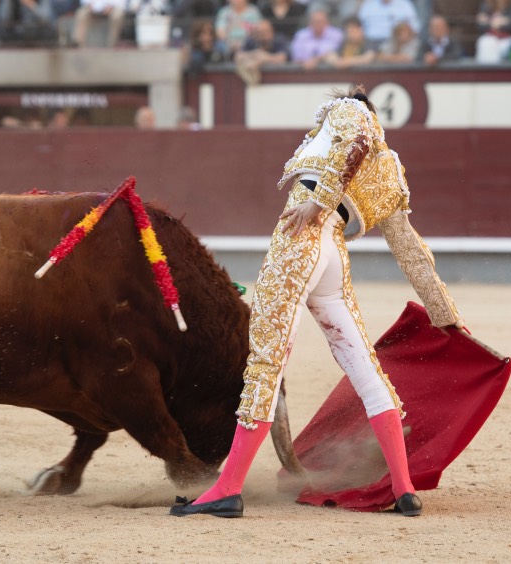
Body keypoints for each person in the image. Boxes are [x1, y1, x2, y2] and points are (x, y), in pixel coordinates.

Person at [169, 85, 464, 519]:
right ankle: (403, 488)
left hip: (298, 243)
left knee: (266, 364)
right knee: (366, 368)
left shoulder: (347, 111)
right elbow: (411, 251)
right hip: (333, 259)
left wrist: (318, 200)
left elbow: (356, 142)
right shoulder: (393, 175)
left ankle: (227, 489)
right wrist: (445, 313)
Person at [234, 18, 289, 86]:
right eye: (260, 32)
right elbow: (238, 56)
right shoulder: (251, 40)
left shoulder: (278, 39)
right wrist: (255, 54)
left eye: (266, 31)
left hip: (278, 81)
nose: (263, 34)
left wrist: (263, 59)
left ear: (271, 30)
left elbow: (282, 58)